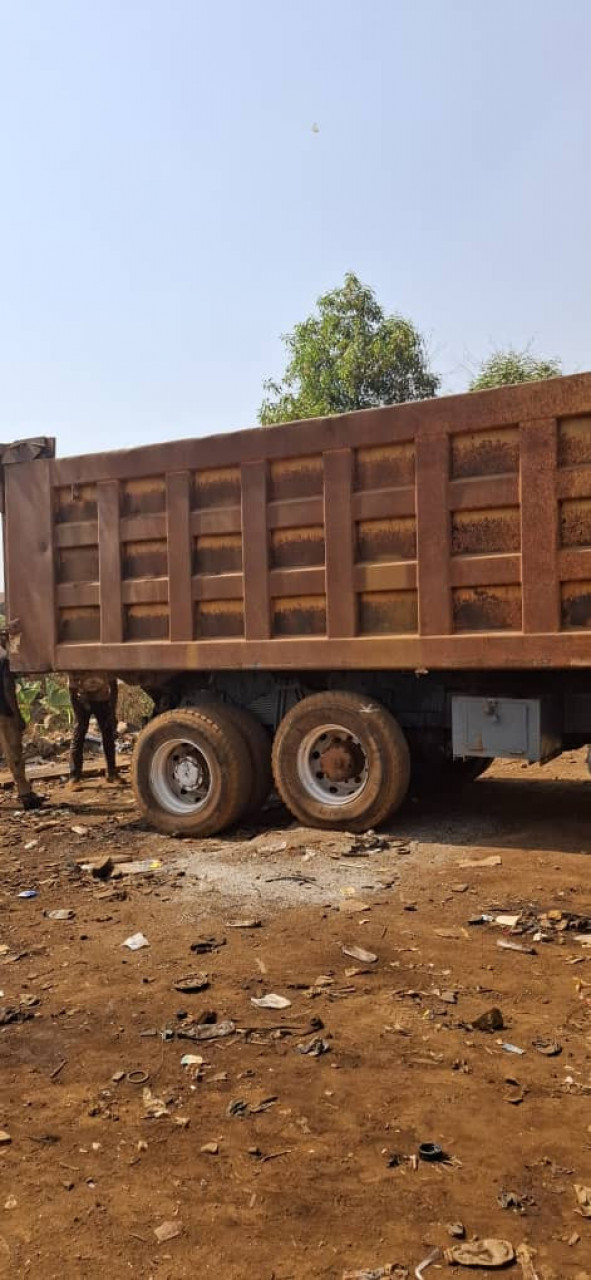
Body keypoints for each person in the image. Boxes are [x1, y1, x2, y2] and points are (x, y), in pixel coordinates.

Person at [0, 638, 44, 811]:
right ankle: (25, 794)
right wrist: (17, 715)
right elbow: (8, 688)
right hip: (4, 714)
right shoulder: (4, 658)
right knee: (14, 754)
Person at [68, 673, 120, 789]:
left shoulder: (105, 662)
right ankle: (74, 777)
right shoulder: (76, 663)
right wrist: (83, 704)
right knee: (79, 733)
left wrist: (112, 711)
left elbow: (114, 686)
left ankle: (112, 773)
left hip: (102, 699)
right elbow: (72, 690)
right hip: (80, 700)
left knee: (108, 733)